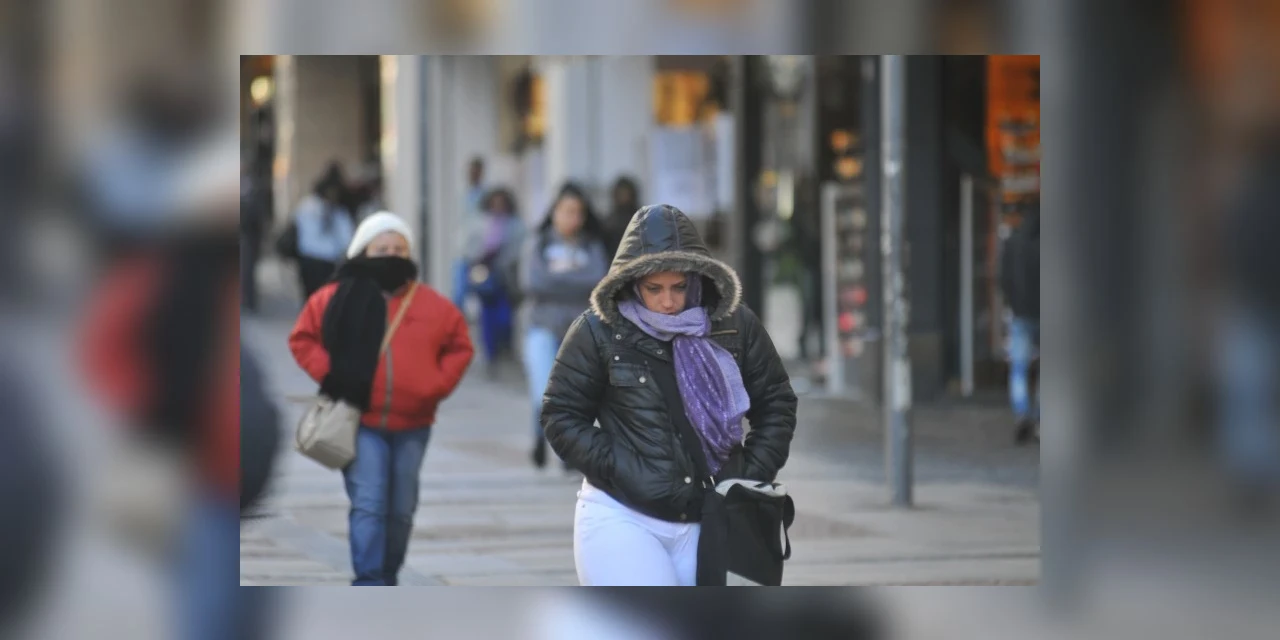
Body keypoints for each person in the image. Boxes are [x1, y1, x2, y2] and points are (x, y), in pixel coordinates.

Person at [541, 204, 797, 587]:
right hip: (622, 514)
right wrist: (620, 466)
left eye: (679, 287)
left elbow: (776, 401)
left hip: (713, 518)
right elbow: (560, 414)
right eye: (654, 289)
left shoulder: (735, 324)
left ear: (697, 278)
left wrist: (747, 476)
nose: (668, 302)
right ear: (631, 282)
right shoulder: (597, 331)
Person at [288, 211, 474, 586]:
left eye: (399, 248)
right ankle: (370, 581)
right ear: (362, 251)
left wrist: (434, 386)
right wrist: (333, 376)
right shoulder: (333, 297)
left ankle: (387, 575)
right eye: (382, 248)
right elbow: (302, 339)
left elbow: (460, 346)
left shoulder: (432, 305)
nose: (391, 254)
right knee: (371, 504)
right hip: (360, 421)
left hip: (414, 424)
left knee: (401, 511)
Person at [519, 183, 609, 471]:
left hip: (580, 329)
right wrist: (575, 280)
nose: (572, 218)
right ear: (554, 212)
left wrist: (559, 280)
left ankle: (569, 449)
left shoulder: (591, 245)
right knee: (543, 389)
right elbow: (534, 283)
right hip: (542, 326)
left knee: (577, 392)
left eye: (578, 212)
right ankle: (539, 438)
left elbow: (599, 280)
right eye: (566, 211)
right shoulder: (539, 243)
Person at [463, 187, 526, 375]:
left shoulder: (516, 225)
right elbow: (467, 247)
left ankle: (505, 347)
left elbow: (521, 250)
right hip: (485, 277)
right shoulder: (479, 223)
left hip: (507, 278)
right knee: (487, 318)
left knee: (505, 318)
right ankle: (491, 355)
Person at [1000, 207, 1041, 445]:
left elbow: (1004, 279)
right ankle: (1040, 419)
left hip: (1021, 314)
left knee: (1019, 368)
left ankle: (1021, 412)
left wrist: (1013, 303)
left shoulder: (1013, 242)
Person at [294, 164, 356, 299]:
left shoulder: (306, 205)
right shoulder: (339, 211)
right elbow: (346, 239)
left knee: (310, 300)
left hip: (308, 258)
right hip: (328, 261)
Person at [453, 157, 487, 311]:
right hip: (463, 252)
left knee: (482, 289)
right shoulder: (462, 195)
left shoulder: (486, 196)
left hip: (480, 253)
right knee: (459, 293)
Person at [601, 176, 640, 259]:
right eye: (621, 194)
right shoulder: (608, 223)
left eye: (626, 194)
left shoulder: (642, 220)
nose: (624, 197)